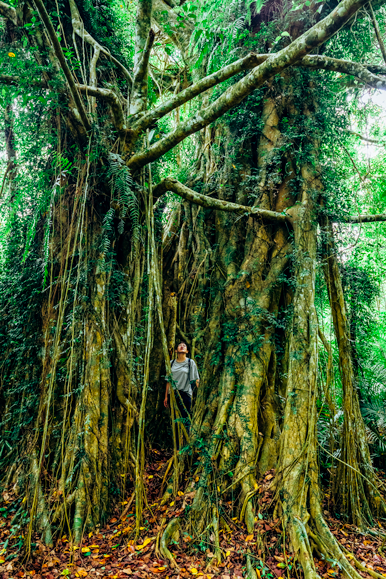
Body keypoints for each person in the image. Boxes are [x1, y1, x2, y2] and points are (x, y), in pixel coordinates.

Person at [164, 342, 200, 426]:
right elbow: (168, 380)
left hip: (185, 394)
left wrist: (199, 396)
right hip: (172, 394)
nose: (182, 346)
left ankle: (186, 438)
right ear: (176, 350)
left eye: (184, 346)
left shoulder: (190, 362)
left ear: (187, 351)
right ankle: (176, 439)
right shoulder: (171, 363)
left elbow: (196, 379)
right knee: (174, 421)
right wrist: (166, 396)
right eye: (180, 345)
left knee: (185, 420)